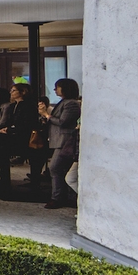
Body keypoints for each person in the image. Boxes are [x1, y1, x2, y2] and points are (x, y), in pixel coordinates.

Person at [43, 78, 81, 208]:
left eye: (57, 87)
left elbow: (63, 121)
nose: (55, 90)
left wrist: (47, 116)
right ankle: (64, 196)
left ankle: (58, 197)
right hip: (58, 139)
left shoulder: (71, 104)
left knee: (55, 167)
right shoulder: (63, 102)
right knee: (59, 168)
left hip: (64, 139)